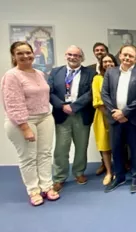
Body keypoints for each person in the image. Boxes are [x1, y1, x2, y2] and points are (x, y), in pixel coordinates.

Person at [2, 41, 59, 206]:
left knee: (45, 153)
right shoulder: (12, 75)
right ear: (14, 56)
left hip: (44, 117)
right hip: (23, 121)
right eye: (20, 53)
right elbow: (13, 103)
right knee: (28, 157)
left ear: (33, 54)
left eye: (28, 52)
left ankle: (47, 186)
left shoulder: (39, 73)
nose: (25, 56)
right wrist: (24, 127)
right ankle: (34, 190)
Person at [48, 45, 95, 192]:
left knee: (81, 146)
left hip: (81, 114)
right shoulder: (56, 72)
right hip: (62, 115)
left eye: (76, 55)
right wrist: (62, 106)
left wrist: (74, 107)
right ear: (65, 55)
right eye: (70, 54)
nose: (73, 57)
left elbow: (91, 93)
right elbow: (49, 92)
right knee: (61, 148)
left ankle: (79, 173)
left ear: (81, 58)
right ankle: (59, 177)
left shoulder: (90, 73)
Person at [101, 45, 136, 193]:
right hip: (115, 119)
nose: (127, 58)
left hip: (132, 119)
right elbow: (104, 94)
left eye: (131, 56)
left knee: (134, 150)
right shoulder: (110, 72)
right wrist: (116, 113)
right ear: (120, 55)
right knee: (117, 149)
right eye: (125, 55)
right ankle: (119, 176)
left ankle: (135, 178)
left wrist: (125, 113)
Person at [92, 53, 118, 185]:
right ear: (101, 64)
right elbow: (97, 99)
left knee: (118, 145)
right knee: (105, 146)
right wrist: (111, 116)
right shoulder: (97, 79)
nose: (108, 64)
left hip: (119, 116)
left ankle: (119, 170)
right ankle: (109, 172)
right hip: (103, 116)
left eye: (111, 61)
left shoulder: (120, 76)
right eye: (105, 62)